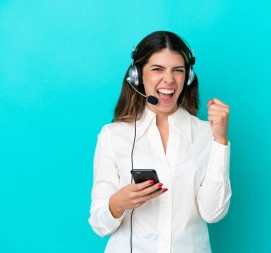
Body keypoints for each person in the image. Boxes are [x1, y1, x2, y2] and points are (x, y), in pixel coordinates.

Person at [88, 31, 232, 253]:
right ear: (137, 76)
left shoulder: (206, 134)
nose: (169, 80)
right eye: (157, 69)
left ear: (188, 77)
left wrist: (220, 141)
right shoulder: (113, 136)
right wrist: (118, 202)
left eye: (178, 70)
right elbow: (99, 224)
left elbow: (212, 213)